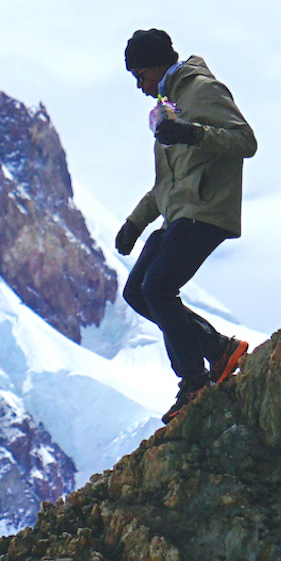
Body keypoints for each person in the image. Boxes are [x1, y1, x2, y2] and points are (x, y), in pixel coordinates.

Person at [113, 28, 257, 425]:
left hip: (207, 210)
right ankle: (220, 349)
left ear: (158, 65)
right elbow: (166, 183)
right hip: (179, 214)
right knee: (137, 292)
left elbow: (245, 141)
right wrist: (134, 223)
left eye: (139, 74)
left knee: (158, 286)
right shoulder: (168, 105)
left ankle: (194, 381)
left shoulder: (202, 91)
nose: (139, 86)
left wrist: (191, 133)